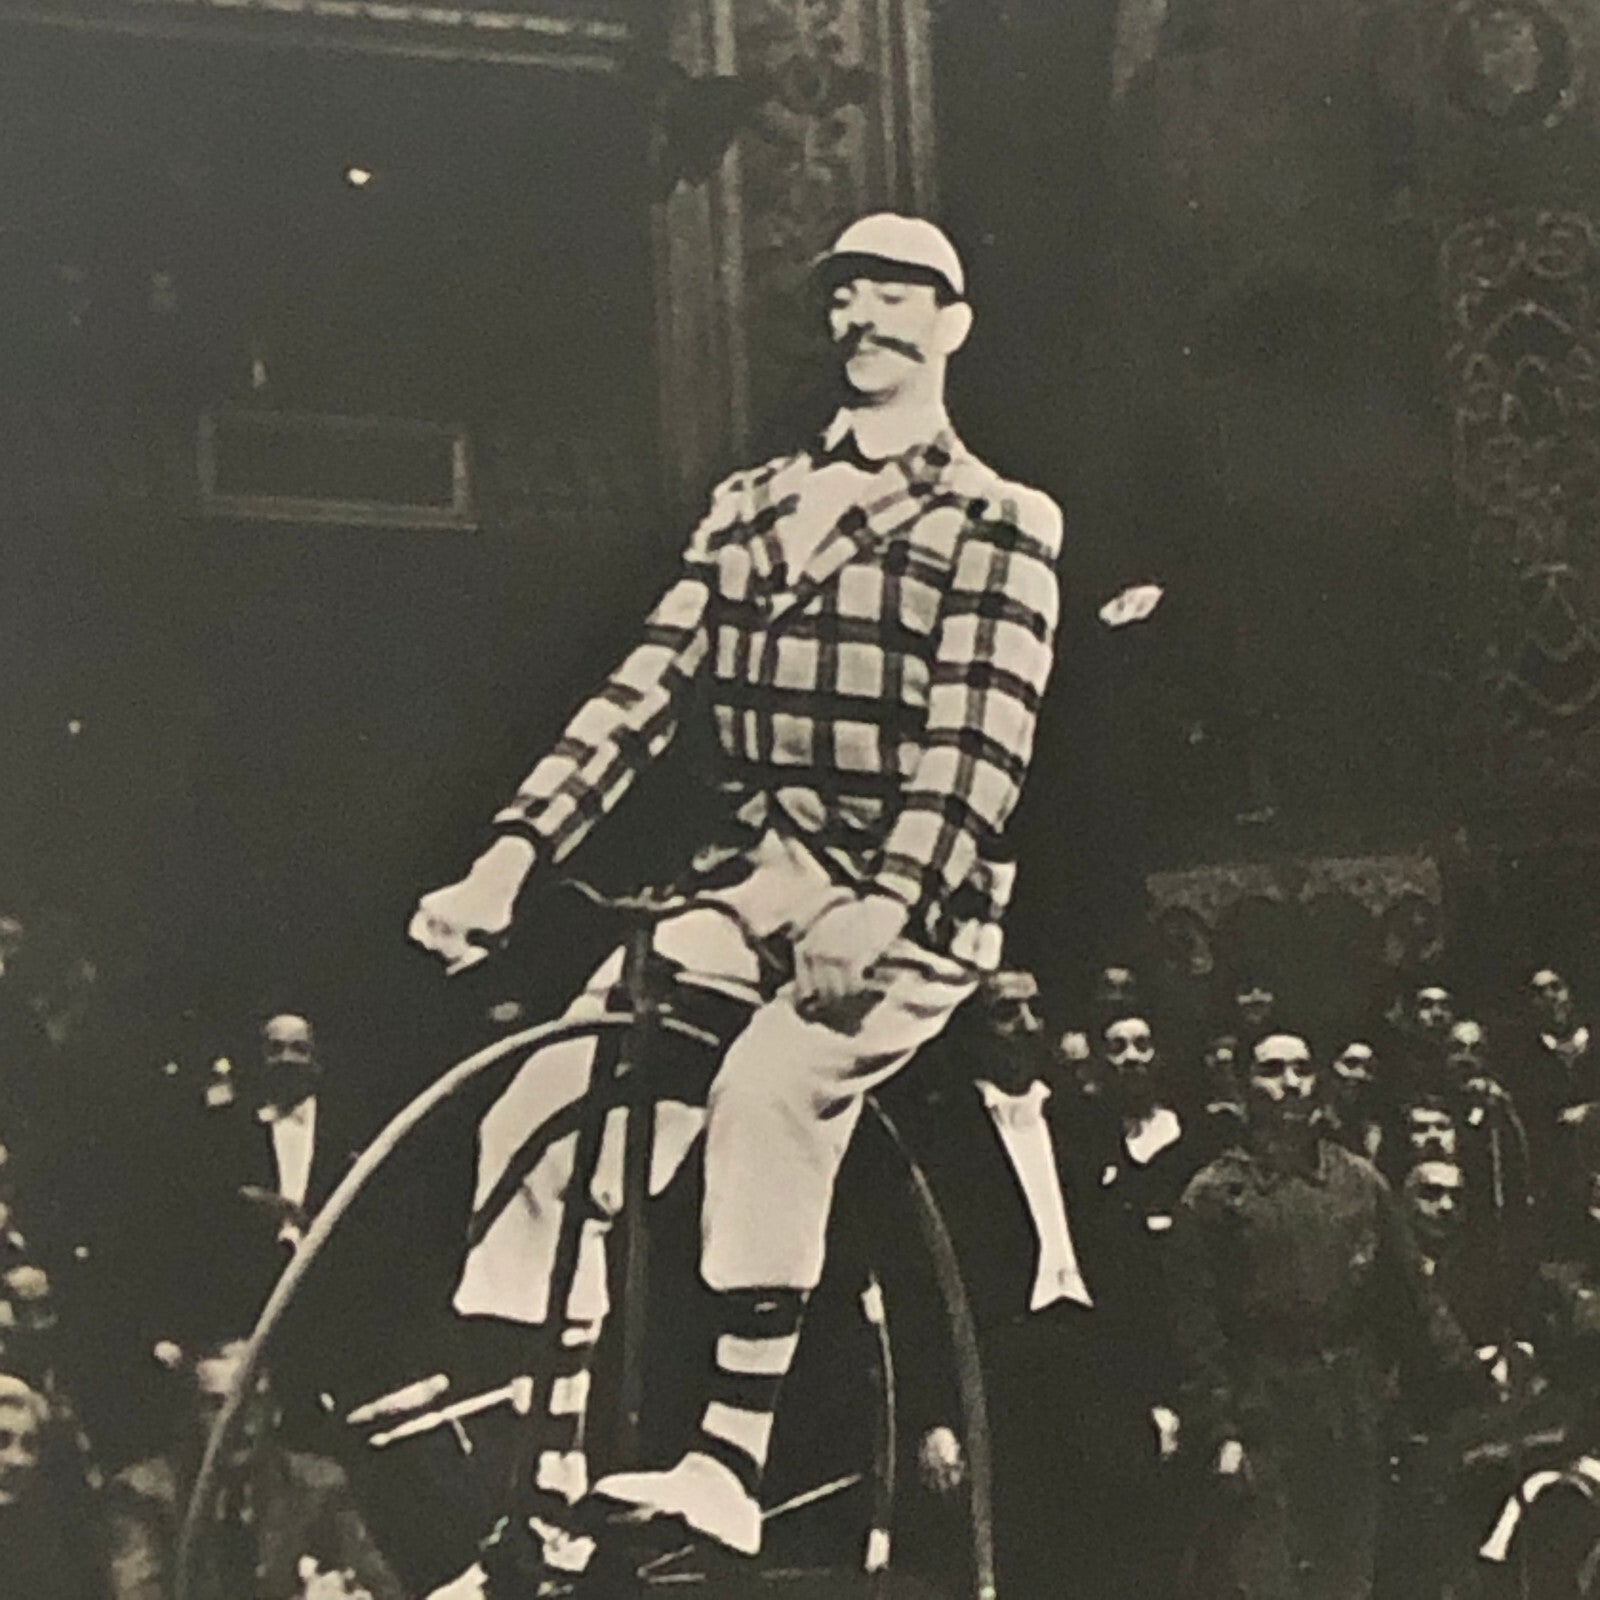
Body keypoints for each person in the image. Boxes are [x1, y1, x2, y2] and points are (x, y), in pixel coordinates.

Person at [406, 212, 1062, 1590]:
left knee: (772, 1087)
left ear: (955, 322)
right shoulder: (756, 504)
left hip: (912, 900)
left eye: (901, 295)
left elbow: (976, 750)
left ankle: (728, 1464)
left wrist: (885, 906)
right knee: (559, 1085)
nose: (867, 318)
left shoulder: (998, 521)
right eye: (847, 297)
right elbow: (642, 694)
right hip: (767, 874)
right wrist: (511, 856)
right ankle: (547, 1473)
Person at [1168, 1031, 1482, 1600]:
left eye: (1302, 1069)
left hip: (1350, 1410)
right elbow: (1197, 1331)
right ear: (1245, 1085)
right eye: (1271, 1070)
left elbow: (1412, 1303)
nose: (1289, 1084)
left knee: (1347, 1575)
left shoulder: (1361, 1184)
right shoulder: (1214, 1196)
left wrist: (1475, 1394)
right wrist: (1220, 1432)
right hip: (1263, 1411)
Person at [106, 1337, 406, 1600]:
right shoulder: (146, 1498)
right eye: (218, 1406)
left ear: (275, 1411)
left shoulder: (318, 1486)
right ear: (192, 1416)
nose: (239, 1422)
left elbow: (384, 1590)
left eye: (254, 1402)